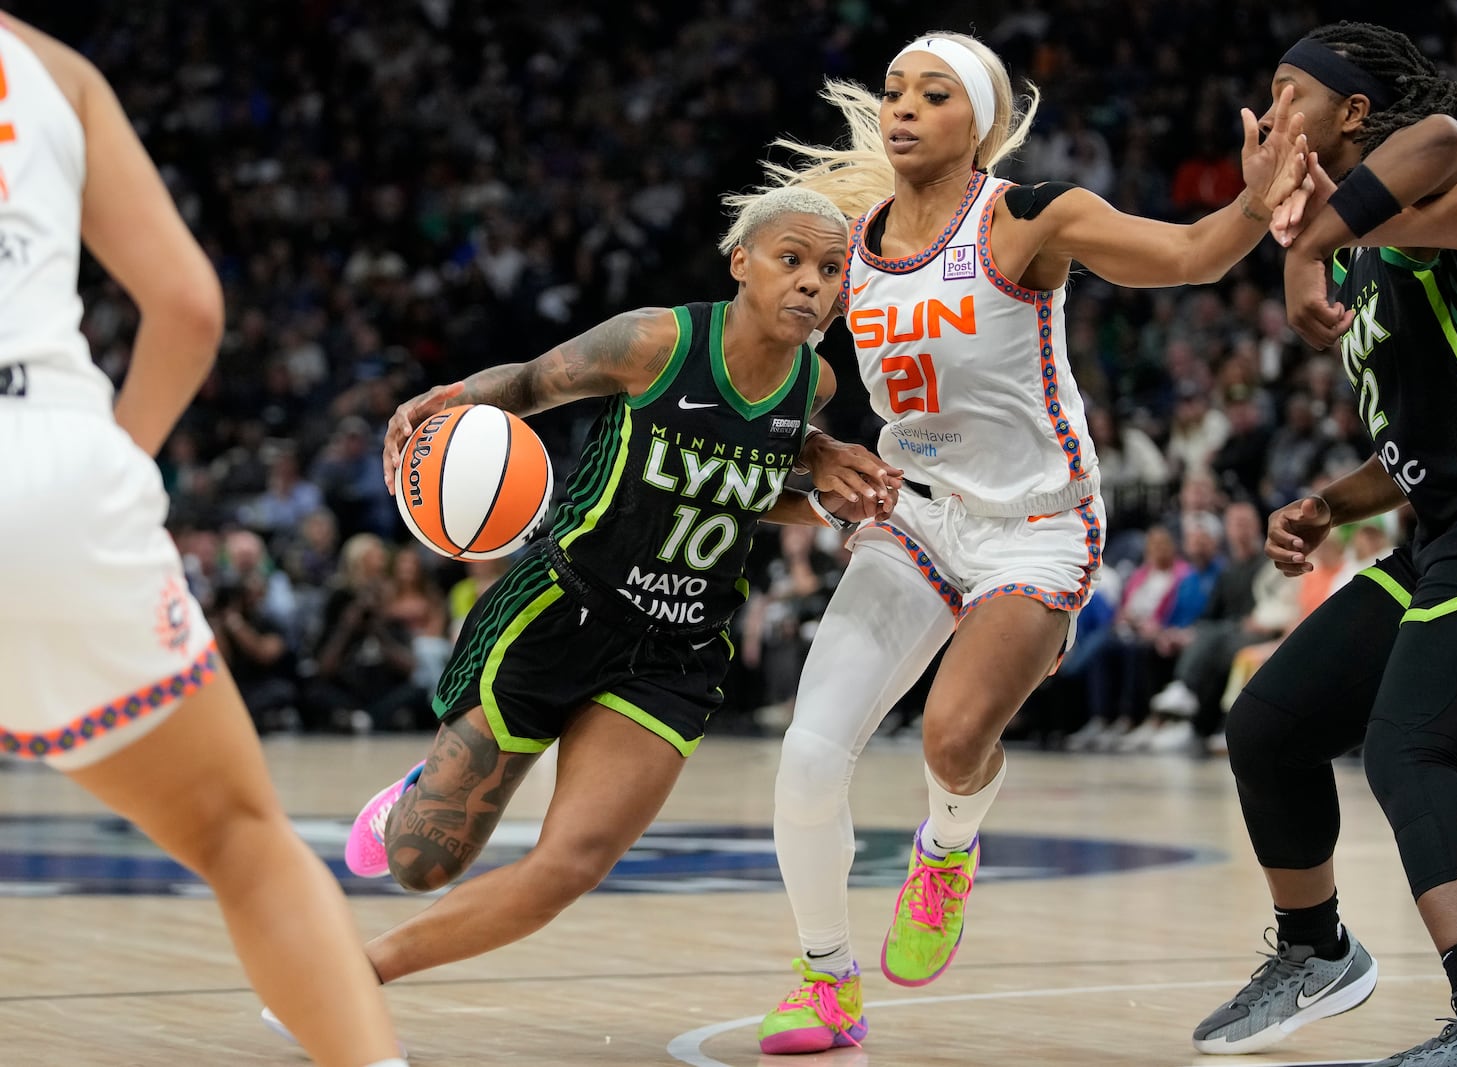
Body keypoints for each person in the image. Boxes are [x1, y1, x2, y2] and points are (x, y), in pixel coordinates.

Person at [726, 30, 1310, 1054]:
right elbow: (762, 375)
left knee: (953, 738)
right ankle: (825, 979)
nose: (902, 108)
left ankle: (946, 847)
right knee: (809, 757)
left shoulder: (1029, 217)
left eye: (933, 94)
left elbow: (1185, 256)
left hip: (1036, 525)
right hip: (913, 515)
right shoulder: (847, 243)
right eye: (895, 91)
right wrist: (815, 449)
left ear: (979, 124)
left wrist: (1255, 204)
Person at [289, 188, 897, 1023]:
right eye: (791, 261)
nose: (811, 284)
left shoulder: (815, 382)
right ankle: (412, 792)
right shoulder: (655, 341)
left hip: (676, 653)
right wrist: (447, 398)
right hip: (561, 611)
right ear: (741, 263)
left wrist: (826, 493)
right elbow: (533, 383)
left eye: (830, 270)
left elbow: (743, 488)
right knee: (420, 863)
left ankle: (348, 980)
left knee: (569, 862)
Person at [0, 13, 404, 1067]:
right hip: (51, 456)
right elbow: (185, 303)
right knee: (242, 840)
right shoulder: (54, 68)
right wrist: (107, 470)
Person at [1192, 22, 1457, 1067]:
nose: (1271, 111)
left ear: (1353, 114)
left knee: (1414, 746)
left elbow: (1450, 135)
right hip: (1451, 519)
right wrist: (1331, 498)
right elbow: (1422, 439)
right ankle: (1316, 949)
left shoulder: (1409, 203)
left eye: (1290, 92)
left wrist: (1310, 240)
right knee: (1269, 722)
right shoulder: (1364, 243)